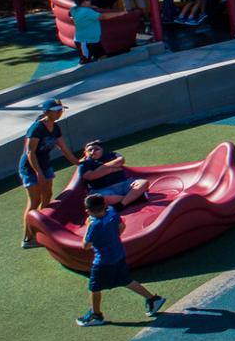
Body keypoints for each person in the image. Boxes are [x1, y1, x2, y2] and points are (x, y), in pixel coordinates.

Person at [77, 194, 165, 326]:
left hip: (103, 261)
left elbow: (85, 246)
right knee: (126, 280)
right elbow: (121, 227)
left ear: (88, 211)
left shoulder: (94, 226)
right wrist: (111, 238)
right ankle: (153, 299)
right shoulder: (112, 211)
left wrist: (88, 227)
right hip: (119, 254)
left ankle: (96, 316)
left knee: (94, 287)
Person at [19, 98, 77, 249]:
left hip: (45, 165)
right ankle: (28, 238)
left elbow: (63, 148)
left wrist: (77, 162)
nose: (59, 113)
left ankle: (41, 228)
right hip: (30, 168)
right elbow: (30, 152)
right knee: (34, 201)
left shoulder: (56, 127)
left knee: (47, 196)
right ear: (46, 112)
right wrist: (38, 173)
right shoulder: (36, 128)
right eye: (56, 110)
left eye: (60, 110)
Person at [75, 140, 149, 207]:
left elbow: (121, 161)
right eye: (90, 150)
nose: (93, 151)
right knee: (99, 199)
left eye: (96, 149)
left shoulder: (111, 155)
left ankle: (121, 204)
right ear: (85, 153)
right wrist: (111, 170)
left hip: (124, 185)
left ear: (102, 150)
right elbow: (90, 176)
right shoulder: (84, 163)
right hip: (103, 190)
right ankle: (135, 198)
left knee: (144, 183)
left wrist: (101, 168)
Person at [70, 0, 110, 64]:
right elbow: (102, 17)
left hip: (93, 40)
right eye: (89, 0)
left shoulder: (74, 9)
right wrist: (120, 13)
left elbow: (73, 12)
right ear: (84, 2)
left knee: (103, 56)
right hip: (85, 41)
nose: (91, 0)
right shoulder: (87, 12)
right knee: (85, 60)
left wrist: (90, 6)